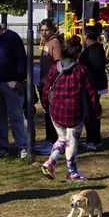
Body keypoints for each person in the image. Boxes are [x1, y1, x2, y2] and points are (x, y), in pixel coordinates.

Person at [40, 35, 101, 182]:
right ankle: (72, 173)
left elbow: (46, 89)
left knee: (62, 139)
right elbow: (92, 92)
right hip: (75, 112)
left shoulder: (54, 68)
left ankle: (50, 162)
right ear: (78, 53)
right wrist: (96, 110)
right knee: (71, 142)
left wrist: (45, 106)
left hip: (56, 111)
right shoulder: (81, 70)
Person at [0, 16, 29, 159]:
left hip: (11, 83)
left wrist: (20, 80)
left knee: (16, 116)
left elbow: (21, 58)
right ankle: (3, 146)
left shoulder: (12, 37)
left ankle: (22, 146)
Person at [80, 24, 108, 151]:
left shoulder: (92, 50)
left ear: (86, 35)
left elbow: (93, 69)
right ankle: (95, 138)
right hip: (97, 84)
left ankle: (93, 140)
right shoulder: (98, 47)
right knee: (93, 111)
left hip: (93, 86)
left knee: (91, 112)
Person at [37, 18, 63, 149]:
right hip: (43, 83)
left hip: (51, 84)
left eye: (46, 30)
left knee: (52, 112)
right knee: (46, 111)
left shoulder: (55, 42)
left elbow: (58, 63)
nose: (44, 32)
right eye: (41, 30)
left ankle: (54, 139)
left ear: (52, 30)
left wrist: (48, 78)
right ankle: (49, 137)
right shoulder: (46, 42)